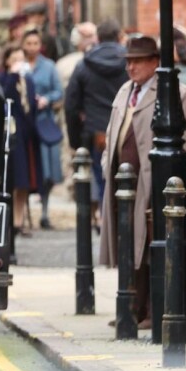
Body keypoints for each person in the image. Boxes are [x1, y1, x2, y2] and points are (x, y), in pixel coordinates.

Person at [99, 36, 186, 328]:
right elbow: (111, 134)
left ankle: (154, 312)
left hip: (154, 185)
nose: (131, 67)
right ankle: (131, 307)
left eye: (137, 61)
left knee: (152, 246)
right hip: (123, 184)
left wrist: (174, 184)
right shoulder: (124, 92)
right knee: (128, 243)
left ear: (155, 62)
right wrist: (108, 163)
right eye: (128, 61)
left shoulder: (177, 93)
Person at [64, 19, 128, 225]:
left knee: (103, 179)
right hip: (128, 128)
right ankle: (123, 223)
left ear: (98, 38)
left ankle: (104, 219)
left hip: (97, 130)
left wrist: (76, 141)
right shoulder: (131, 62)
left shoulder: (84, 64)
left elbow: (71, 105)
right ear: (119, 37)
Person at [0, 45, 41, 249]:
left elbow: (30, 107)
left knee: (24, 182)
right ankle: (12, 222)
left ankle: (19, 219)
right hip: (10, 134)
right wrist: (12, 76)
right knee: (12, 180)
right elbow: (4, 100)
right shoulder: (4, 79)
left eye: (20, 58)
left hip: (25, 135)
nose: (18, 62)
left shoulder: (28, 80)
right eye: (14, 58)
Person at [22, 28, 63, 229]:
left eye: (35, 43)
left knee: (46, 171)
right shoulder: (19, 65)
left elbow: (58, 91)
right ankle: (23, 212)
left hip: (44, 121)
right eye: (28, 43)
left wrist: (46, 99)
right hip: (24, 122)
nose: (32, 47)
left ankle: (45, 213)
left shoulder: (49, 66)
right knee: (27, 169)